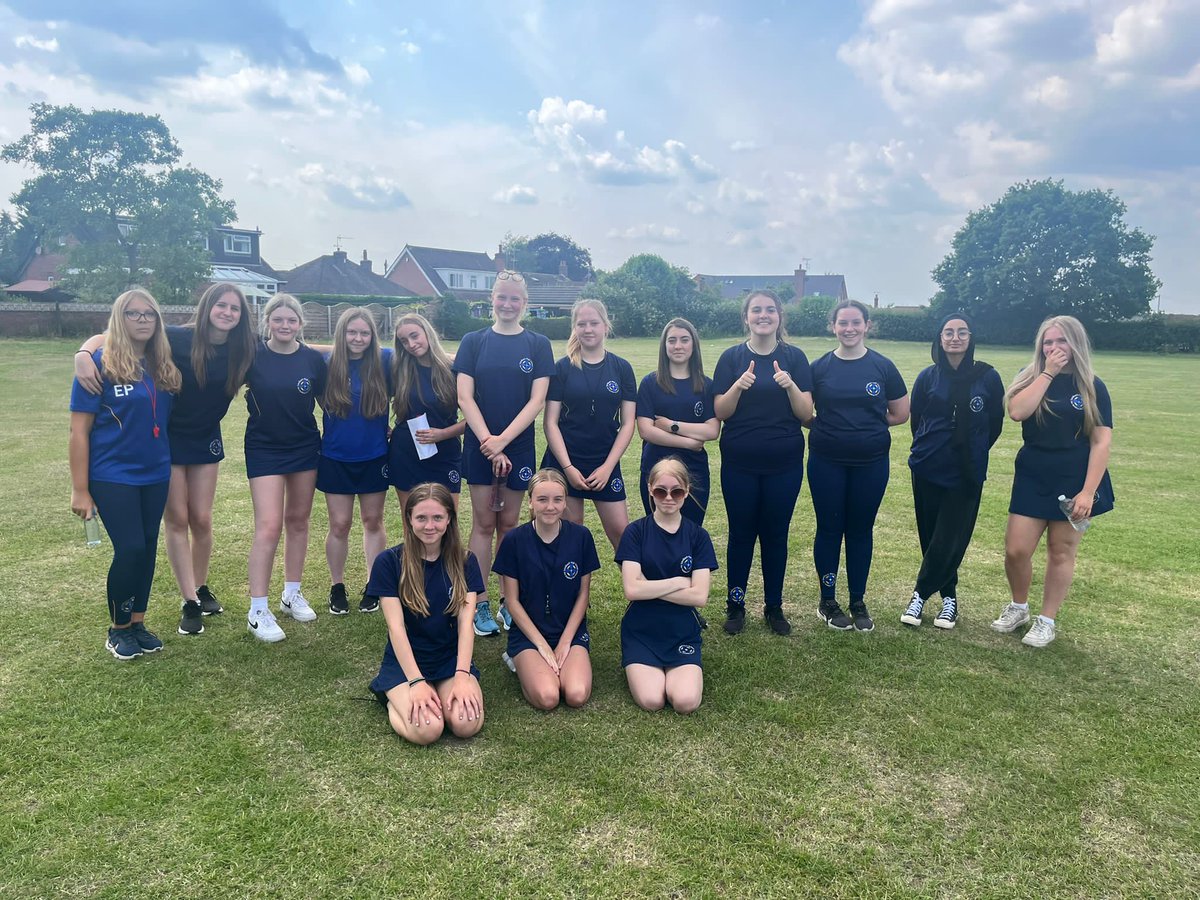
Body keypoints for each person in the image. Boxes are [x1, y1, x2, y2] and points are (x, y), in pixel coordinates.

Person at [73, 282, 256, 636]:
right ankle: (188, 601)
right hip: (167, 439)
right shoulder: (178, 337)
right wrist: (83, 354)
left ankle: (200, 588)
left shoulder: (245, 346)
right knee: (177, 518)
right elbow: (112, 335)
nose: (227, 313)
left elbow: (298, 346)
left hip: (205, 440)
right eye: (221, 306)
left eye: (235, 308)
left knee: (201, 518)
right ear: (207, 308)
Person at [69, 288, 180, 659]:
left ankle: (137, 623)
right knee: (130, 547)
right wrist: (80, 490)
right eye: (133, 314)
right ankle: (117, 629)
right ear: (120, 317)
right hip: (112, 474)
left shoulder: (162, 362)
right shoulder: (97, 363)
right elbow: (78, 432)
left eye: (149, 314)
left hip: (156, 472)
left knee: (147, 548)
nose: (143, 320)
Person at [991, 315, 1114, 648]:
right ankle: (1019, 607)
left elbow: (1101, 441)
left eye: (1061, 341)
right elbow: (1017, 412)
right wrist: (1047, 373)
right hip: (1034, 472)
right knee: (1016, 549)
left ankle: (1047, 620)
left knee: (1061, 552)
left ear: (1075, 344)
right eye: (1048, 342)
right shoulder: (1029, 377)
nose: (1055, 348)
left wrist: (1088, 491)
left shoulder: (1092, 385)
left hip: (1075, 476)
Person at [455, 271, 554, 637]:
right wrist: (488, 441)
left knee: (510, 525)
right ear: (491, 300)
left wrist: (503, 442)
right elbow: (465, 396)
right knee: (483, 524)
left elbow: (537, 400)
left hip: (520, 448)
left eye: (515, 299)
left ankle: (508, 602)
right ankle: (478, 602)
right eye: (502, 298)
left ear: (525, 303)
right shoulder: (473, 341)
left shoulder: (538, 344)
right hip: (481, 446)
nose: (508, 305)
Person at [712, 290, 813, 636]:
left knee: (775, 534)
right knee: (741, 533)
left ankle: (774, 606)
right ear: (747, 317)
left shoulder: (795, 358)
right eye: (757, 310)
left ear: (779, 317)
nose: (763, 315)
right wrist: (738, 386)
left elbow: (805, 414)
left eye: (770, 310)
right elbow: (720, 412)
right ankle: (736, 605)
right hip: (739, 462)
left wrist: (790, 386)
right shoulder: (731, 358)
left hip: (784, 463)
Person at [807, 299, 909, 633]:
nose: (849, 329)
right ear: (832, 326)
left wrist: (865, 428)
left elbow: (899, 413)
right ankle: (828, 600)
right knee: (830, 528)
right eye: (842, 323)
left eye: (855, 323)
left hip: (871, 463)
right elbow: (804, 412)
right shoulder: (819, 368)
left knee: (860, 530)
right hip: (827, 462)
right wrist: (834, 428)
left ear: (867, 325)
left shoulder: (883, 367)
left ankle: (857, 600)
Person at [901, 313, 1004, 629]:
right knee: (931, 534)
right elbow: (917, 420)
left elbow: (995, 424)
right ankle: (949, 599)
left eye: (961, 332)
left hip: (967, 470)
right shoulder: (928, 377)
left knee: (952, 535)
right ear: (940, 339)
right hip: (928, 465)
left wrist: (971, 449)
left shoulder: (987, 377)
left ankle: (919, 594)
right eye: (948, 332)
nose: (955, 337)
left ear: (970, 338)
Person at [366, 483, 485, 744]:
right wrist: (417, 681)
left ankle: (439, 693)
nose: (429, 526)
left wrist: (463, 676)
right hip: (406, 660)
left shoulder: (466, 561)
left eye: (437, 517)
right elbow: (396, 628)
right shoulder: (388, 562)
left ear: (449, 519)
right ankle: (391, 698)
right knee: (428, 730)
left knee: (467, 724)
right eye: (421, 517)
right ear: (409, 519)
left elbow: (467, 624)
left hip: (448, 659)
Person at [243, 293, 327, 642]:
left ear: (300, 324)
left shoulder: (312, 359)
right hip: (264, 448)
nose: (284, 325)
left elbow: (327, 403)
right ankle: (257, 610)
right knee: (268, 526)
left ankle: (291, 593)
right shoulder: (252, 355)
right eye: (278, 320)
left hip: (304, 447)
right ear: (267, 322)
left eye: (291, 320)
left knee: (298, 520)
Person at [492, 469, 600, 710]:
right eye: (542, 499)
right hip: (529, 633)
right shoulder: (514, 541)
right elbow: (512, 601)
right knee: (548, 697)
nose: (550, 507)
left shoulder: (581, 537)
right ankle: (517, 659)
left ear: (564, 503)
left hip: (567, 629)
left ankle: (560, 659)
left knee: (576, 694)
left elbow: (583, 595)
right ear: (530, 502)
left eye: (557, 499)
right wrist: (541, 645)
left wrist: (564, 643)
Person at [615, 458, 716, 714]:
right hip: (641, 630)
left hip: (682, 630)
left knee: (685, 702)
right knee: (652, 701)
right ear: (650, 489)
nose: (668, 497)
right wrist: (677, 582)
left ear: (687, 492)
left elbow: (700, 596)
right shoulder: (635, 532)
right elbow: (632, 590)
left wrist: (650, 587)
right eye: (660, 490)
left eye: (676, 491)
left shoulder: (698, 536)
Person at [542, 298, 637, 551]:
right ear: (574, 328)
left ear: (606, 326)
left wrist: (608, 467)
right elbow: (550, 422)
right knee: (568, 535)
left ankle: (641, 591)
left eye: (594, 323)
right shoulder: (562, 368)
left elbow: (628, 424)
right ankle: (568, 591)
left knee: (622, 534)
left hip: (604, 461)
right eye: (581, 324)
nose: (588, 329)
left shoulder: (622, 368)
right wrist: (568, 468)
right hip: (565, 461)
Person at [318, 308, 393, 615]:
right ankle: (337, 586)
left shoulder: (384, 361)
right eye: (352, 332)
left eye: (364, 333)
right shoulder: (327, 363)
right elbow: (304, 349)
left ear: (372, 336)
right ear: (341, 334)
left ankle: (374, 584)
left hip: (375, 454)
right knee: (339, 523)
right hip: (335, 455)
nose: (358, 338)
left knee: (372, 521)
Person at [635, 317, 719, 525]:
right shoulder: (650, 383)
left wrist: (672, 426)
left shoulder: (706, 385)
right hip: (655, 468)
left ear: (694, 344)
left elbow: (712, 430)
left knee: (691, 531)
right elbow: (646, 431)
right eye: (672, 340)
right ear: (664, 346)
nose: (678, 346)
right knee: (657, 531)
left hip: (694, 471)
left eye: (684, 339)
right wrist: (689, 442)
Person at [388, 313, 465, 511]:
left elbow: (475, 417)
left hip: (446, 452)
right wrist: (382, 426)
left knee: (448, 519)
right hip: (406, 452)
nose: (411, 344)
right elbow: (372, 397)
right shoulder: (398, 368)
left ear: (427, 333)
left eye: (415, 336)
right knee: (412, 521)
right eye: (404, 341)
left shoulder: (454, 369)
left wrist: (443, 434)